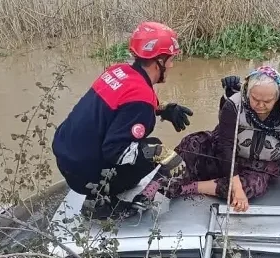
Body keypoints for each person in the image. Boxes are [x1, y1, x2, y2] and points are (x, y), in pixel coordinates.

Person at [51, 21, 194, 219]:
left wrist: (163, 109)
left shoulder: (117, 71)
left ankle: (103, 187)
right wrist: (162, 154)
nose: (171, 64)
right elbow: (115, 151)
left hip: (67, 159)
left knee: (145, 149)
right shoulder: (141, 99)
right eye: (170, 59)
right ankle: (100, 204)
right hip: (83, 176)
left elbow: (118, 106)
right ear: (159, 61)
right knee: (153, 148)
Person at [168, 65, 280, 211]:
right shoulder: (234, 105)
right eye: (255, 99)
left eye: (267, 101)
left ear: (277, 97)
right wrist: (236, 187)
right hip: (229, 155)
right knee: (191, 143)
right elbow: (226, 146)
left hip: (261, 165)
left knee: (252, 187)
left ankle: (189, 187)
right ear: (248, 92)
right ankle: (170, 180)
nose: (260, 105)